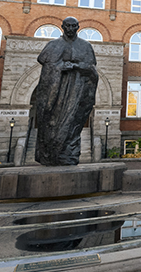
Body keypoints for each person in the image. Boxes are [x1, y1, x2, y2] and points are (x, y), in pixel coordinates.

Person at [34, 17, 98, 165]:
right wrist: (60, 67)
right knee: (52, 121)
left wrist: (76, 67)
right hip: (56, 90)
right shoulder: (53, 45)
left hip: (76, 90)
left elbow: (91, 69)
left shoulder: (85, 46)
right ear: (62, 27)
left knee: (72, 122)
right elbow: (45, 63)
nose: (70, 29)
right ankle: (49, 154)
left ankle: (68, 153)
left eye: (73, 26)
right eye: (67, 26)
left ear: (77, 27)